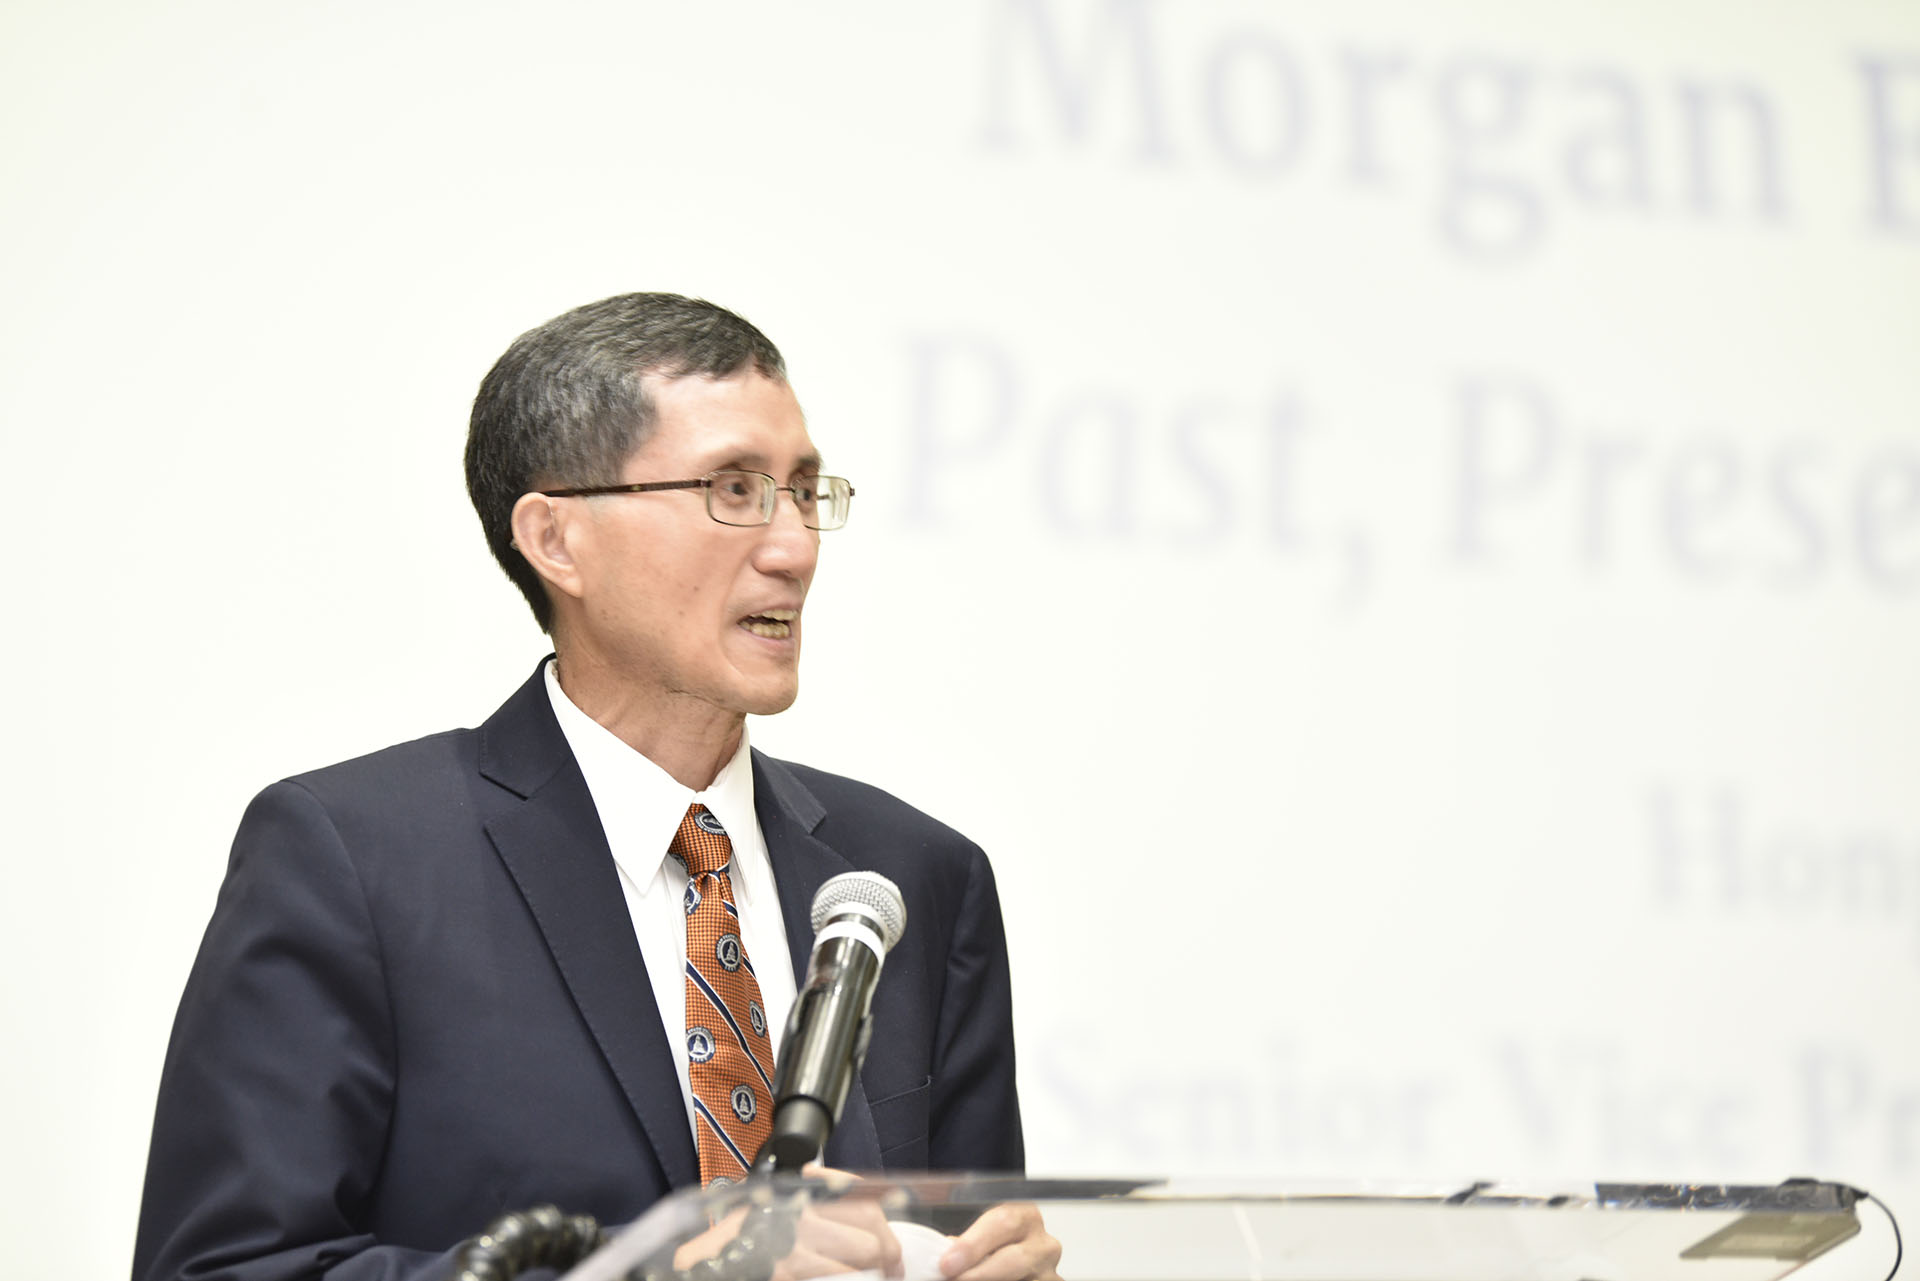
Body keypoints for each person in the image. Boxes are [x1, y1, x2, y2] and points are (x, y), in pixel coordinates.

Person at [132, 293, 1061, 1281]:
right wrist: (656, 1272)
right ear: (557, 540)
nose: (793, 547)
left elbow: (961, 1237)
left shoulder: (912, 875)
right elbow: (222, 1271)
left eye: (802, 490)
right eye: (734, 489)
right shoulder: (353, 862)